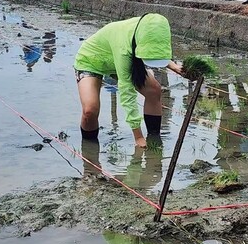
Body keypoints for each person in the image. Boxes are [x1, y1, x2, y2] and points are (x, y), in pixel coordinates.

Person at [74, 14, 186, 148]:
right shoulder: (124, 43)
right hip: (92, 61)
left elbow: (155, 47)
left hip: (122, 60)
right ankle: (90, 151)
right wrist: (138, 136)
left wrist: (173, 66)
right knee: (90, 110)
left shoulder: (152, 28)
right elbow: (127, 93)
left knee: (154, 90)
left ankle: (154, 139)